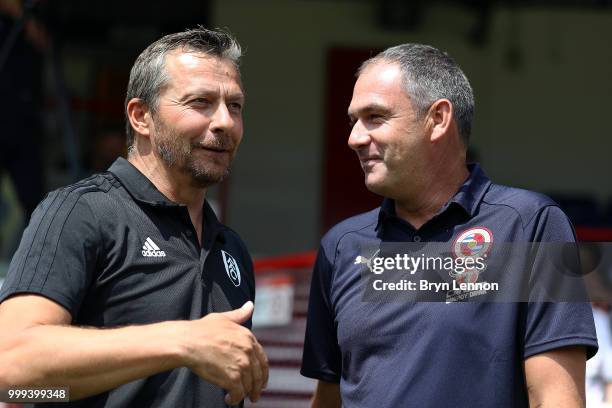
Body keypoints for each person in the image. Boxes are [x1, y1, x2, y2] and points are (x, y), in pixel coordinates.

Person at [301, 44, 598, 407]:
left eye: (375, 117)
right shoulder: (341, 245)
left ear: (438, 118)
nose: (355, 138)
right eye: (353, 121)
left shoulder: (531, 224)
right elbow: (329, 399)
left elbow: (556, 398)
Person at [0, 27, 268, 407]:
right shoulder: (82, 212)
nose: (225, 122)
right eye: (201, 102)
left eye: (235, 106)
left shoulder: (232, 249)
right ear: (141, 116)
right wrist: (183, 341)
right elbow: (10, 373)